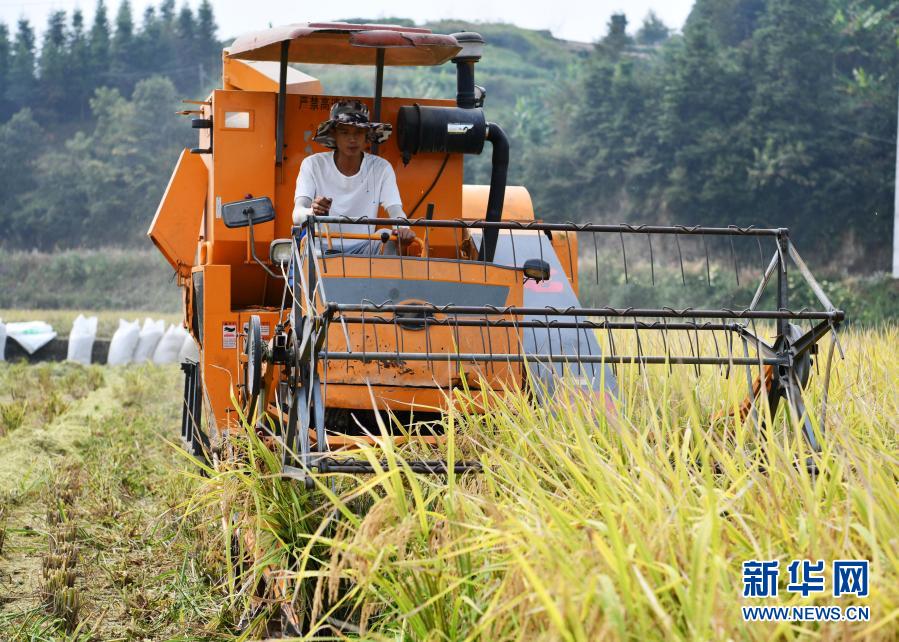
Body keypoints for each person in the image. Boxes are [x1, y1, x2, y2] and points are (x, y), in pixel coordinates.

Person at [291, 100, 416, 254]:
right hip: (320, 248)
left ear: (367, 135)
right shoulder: (313, 164)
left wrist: (403, 229)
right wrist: (313, 212)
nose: (352, 139)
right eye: (344, 132)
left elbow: (395, 210)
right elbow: (297, 214)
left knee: (388, 235)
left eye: (358, 132)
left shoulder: (381, 168)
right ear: (334, 134)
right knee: (307, 247)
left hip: (364, 249)